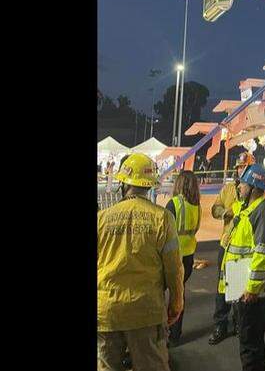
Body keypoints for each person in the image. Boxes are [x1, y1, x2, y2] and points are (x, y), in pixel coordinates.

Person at [97, 153, 184, 371]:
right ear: (149, 186)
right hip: (145, 312)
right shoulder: (162, 218)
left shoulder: (102, 218)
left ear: (123, 183)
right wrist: (176, 303)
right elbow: (174, 269)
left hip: (107, 312)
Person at [220, 163, 265, 371]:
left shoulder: (262, 212)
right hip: (242, 287)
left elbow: (262, 254)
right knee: (249, 343)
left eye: (243, 184)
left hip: (251, 292)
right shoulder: (249, 209)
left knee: (250, 346)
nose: (240, 187)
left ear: (253, 187)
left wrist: (252, 288)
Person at [208, 154, 254, 345]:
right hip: (226, 245)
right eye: (238, 167)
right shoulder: (227, 189)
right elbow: (215, 209)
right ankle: (220, 323)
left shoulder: (256, 193)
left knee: (241, 288)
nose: (239, 170)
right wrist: (226, 212)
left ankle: (238, 323)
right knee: (222, 288)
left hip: (245, 248)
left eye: (244, 167)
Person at [165, 170, 202, 346]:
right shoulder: (197, 206)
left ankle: (159, 332)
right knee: (179, 295)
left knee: (160, 295)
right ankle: (175, 335)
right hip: (188, 258)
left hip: (172, 257)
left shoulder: (174, 204)